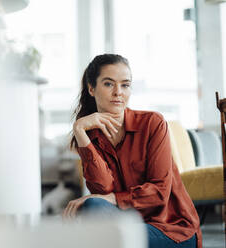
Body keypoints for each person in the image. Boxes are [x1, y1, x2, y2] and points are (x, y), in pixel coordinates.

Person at [63, 54, 202, 248]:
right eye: (109, 84)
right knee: (93, 208)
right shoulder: (88, 135)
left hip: (171, 229)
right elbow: (102, 189)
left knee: (103, 231)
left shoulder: (152, 123)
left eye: (125, 85)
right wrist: (79, 130)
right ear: (91, 89)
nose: (118, 92)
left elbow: (159, 191)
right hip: (128, 224)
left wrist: (111, 199)